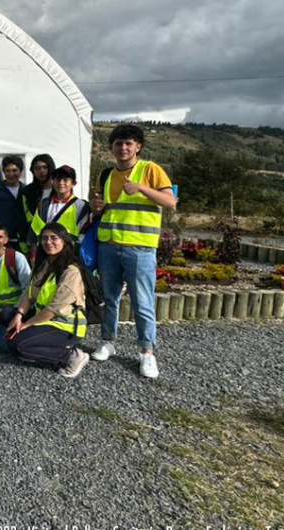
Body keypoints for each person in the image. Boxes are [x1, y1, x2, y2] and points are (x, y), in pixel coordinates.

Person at [89, 124, 175, 379]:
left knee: (142, 301)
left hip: (140, 248)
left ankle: (147, 353)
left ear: (138, 146)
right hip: (109, 245)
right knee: (110, 297)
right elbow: (100, 211)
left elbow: (170, 203)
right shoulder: (105, 175)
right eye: (118, 143)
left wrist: (142, 188)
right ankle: (107, 341)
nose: (123, 148)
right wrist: (96, 207)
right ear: (112, 148)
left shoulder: (150, 170)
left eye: (128, 143)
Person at [3, 223, 90, 378]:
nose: (48, 242)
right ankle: (35, 344)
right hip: (43, 319)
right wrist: (19, 315)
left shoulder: (71, 271)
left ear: (64, 240)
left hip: (64, 325)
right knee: (6, 319)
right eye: (44, 238)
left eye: (53, 238)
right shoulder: (44, 264)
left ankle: (71, 356)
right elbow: (29, 295)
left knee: (19, 345)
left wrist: (25, 325)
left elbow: (52, 310)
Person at [27, 165, 91, 259]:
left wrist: (75, 253)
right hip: (47, 253)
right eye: (57, 179)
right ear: (53, 181)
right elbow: (35, 229)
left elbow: (84, 232)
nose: (61, 183)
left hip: (70, 254)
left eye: (65, 180)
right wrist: (33, 253)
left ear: (74, 183)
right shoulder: (44, 204)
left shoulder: (82, 206)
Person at [20, 153, 56, 250]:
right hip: (33, 242)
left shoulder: (59, 190)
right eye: (37, 168)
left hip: (56, 240)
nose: (42, 171)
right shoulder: (27, 192)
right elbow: (22, 218)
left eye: (45, 167)